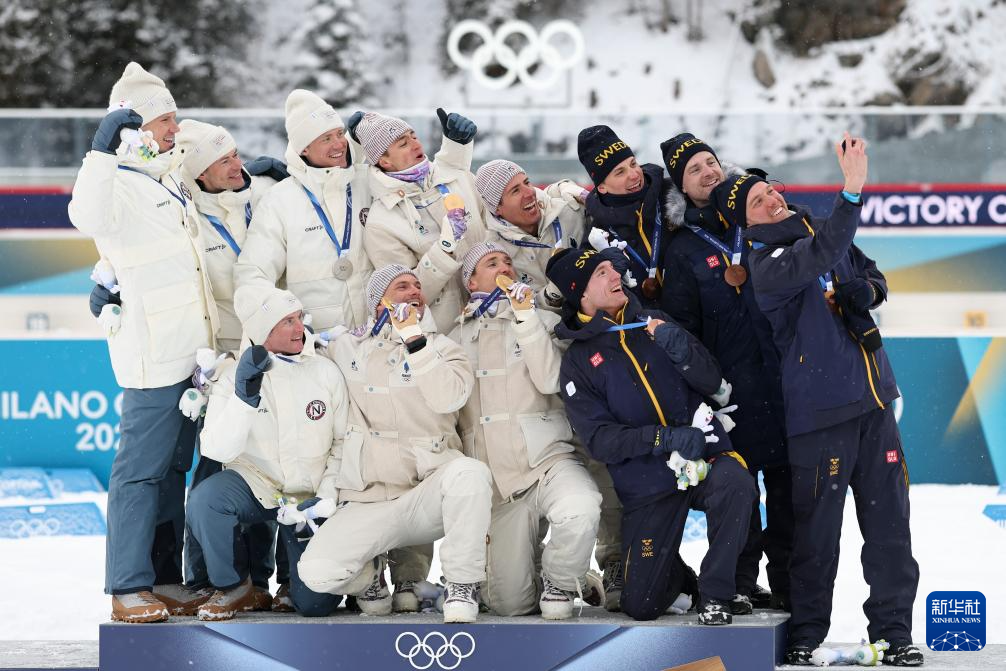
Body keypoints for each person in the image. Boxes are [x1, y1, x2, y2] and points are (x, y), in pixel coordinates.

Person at [712, 134, 922, 666]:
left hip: (874, 404)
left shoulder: (820, 231)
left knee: (891, 531)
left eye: (769, 191)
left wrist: (867, 292)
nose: (771, 199)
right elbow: (822, 254)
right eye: (756, 202)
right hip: (821, 417)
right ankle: (806, 636)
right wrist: (851, 191)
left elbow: (870, 273)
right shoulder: (766, 263)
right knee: (816, 538)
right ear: (745, 225)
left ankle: (894, 634)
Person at [68, 62, 217, 622]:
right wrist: (99, 151)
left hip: (192, 354)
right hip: (152, 353)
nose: (176, 128)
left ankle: (163, 579)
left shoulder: (165, 176)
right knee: (139, 472)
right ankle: (127, 586)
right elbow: (85, 215)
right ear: (134, 128)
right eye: (165, 120)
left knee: (172, 471)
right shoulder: (115, 181)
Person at [546, 247, 757, 624]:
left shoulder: (655, 321)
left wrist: (683, 351)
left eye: (612, 268)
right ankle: (682, 579)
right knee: (641, 605)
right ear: (582, 294)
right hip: (648, 484)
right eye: (601, 273)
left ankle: (716, 595)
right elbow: (601, 441)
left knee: (736, 483)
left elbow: (712, 380)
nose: (615, 276)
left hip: (704, 459)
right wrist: (664, 439)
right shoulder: (577, 362)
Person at [298, 264, 492, 623]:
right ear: (379, 302)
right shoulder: (347, 346)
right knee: (316, 572)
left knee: (470, 474)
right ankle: (370, 577)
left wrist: (416, 342)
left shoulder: (445, 348)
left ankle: (461, 584)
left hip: (425, 497)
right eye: (401, 286)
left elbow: (448, 398)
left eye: (417, 286)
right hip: (368, 499)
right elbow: (296, 361)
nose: (414, 291)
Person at [659, 133, 792, 614]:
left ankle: (790, 588)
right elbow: (685, 331)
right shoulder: (682, 250)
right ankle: (739, 582)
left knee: (790, 495)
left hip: (787, 380)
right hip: (733, 392)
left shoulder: (759, 214)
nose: (707, 172)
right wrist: (707, 389)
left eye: (710, 161)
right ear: (681, 187)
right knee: (742, 490)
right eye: (693, 169)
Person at [449, 242, 602, 619]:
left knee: (581, 508)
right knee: (510, 604)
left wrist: (525, 317)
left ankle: (562, 580)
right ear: (471, 282)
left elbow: (551, 380)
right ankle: (568, 572)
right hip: (500, 484)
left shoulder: (544, 321)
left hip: (549, 460)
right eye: (491, 263)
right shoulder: (452, 340)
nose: (505, 266)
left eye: (507, 261)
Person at [174, 119, 291, 612]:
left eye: (236, 154)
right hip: (222, 358)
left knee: (272, 461)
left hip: (276, 348)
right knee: (216, 467)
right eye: (223, 161)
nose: (237, 165)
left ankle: (260, 579)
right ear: (200, 173)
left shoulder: (261, 201)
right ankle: (207, 577)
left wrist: (288, 184)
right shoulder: (190, 219)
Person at [185, 286, 349, 620]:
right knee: (206, 500)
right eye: (288, 321)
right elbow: (216, 448)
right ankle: (233, 586)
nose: (300, 327)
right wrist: (244, 399)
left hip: (310, 498)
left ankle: (293, 585)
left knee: (315, 605)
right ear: (263, 331)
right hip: (257, 487)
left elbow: (344, 443)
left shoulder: (326, 372)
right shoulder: (232, 376)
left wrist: (326, 496)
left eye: (299, 317)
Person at [234, 89, 373, 331]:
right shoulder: (280, 200)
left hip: (380, 333)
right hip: (317, 340)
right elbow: (253, 273)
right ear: (304, 148)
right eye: (326, 138)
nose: (339, 143)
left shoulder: (368, 181)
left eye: (339, 133)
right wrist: (280, 325)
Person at [356, 109, 488, 331]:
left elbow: (497, 228)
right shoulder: (381, 222)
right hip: (445, 333)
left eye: (414, 136)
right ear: (384, 161)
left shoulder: (459, 178)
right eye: (403, 143)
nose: (416, 144)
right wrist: (444, 248)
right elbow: (403, 295)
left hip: (495, 320)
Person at [473, 159, 587, 311]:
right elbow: (513, 312)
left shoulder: (569, 208)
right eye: (515, 191)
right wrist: (551, 295)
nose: (529, 192)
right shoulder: (496, 255)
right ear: (497, 208)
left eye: (527, 183)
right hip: (553, 325)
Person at [577, 125, 667, 307]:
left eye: (633, 164)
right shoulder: (596, 237)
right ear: (601, 187)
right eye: (620, 172)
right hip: (646, 322)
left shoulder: (671, 196)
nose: (634, 175)